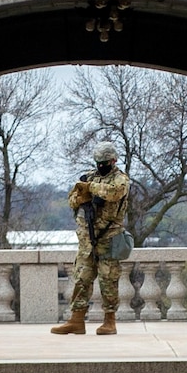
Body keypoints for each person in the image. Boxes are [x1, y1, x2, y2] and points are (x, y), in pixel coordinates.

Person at [51, 141, 132, 336]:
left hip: (109, 239)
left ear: (113, 160)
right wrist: (82, 197)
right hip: (87, 240)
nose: (102, 165)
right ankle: (76, 320)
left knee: (108, 281)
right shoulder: (89, 176)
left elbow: (113, 193)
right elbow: (72, 199)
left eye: (105, 162)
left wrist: (91, 188)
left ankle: (109, 321)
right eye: (99, 162)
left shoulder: (120, 179)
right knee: (81, 279)